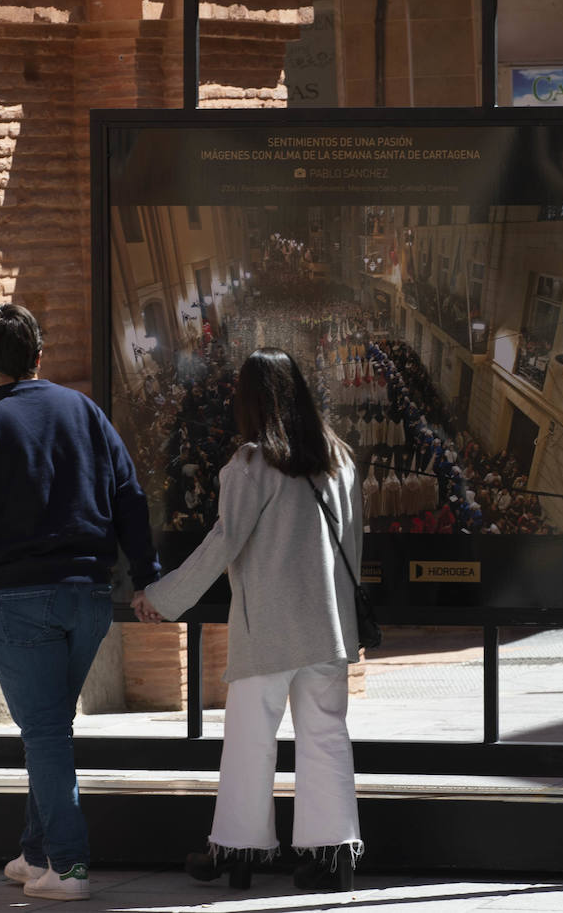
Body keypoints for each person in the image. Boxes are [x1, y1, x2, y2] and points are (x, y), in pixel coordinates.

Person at [0, 304, 160, 901]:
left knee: (44, 734)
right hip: (88, 597)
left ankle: (67, 866)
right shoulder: (84, 411)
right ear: (39, 355)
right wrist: (147, 574)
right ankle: (35, 852)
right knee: (50, 728)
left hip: (17, 599)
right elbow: (129, 496)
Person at [132, 347, 364, 892]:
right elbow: (352, 547)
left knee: (248, 740)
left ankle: (238, 854)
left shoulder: (252, 465)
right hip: (327, 629)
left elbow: (222, 543)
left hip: (268, 630)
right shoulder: (341, 461)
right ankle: (332, 860)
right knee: (326, 737)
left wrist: (163, 599)